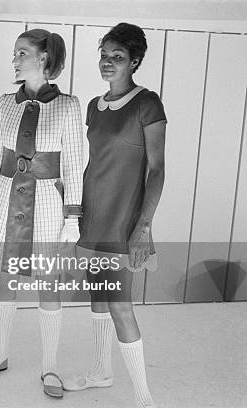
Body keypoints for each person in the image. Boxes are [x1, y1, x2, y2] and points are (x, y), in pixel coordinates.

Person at [0, 29, 83, 398]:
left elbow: (74, 166)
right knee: (5, 281)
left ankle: (49, 366)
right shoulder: (5, 103)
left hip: (48, 203)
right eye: (15, 53)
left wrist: (72, 218)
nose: (15, 59)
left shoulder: (67, 105)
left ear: (44, 58)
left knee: (49, 285)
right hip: (6, 200)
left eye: (22, 53)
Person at [63, 23, 166, 408]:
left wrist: (143, 226)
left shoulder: (147, 104)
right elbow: (96, 163)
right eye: (104, 55)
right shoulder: (95, 105)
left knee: (120, 303)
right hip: (93, 214)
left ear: (134, 61)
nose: (108, 63)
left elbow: (156, 169)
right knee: (99, 298)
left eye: (117, 57)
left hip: (125, 220)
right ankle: (100, 372)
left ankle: (143, 399)